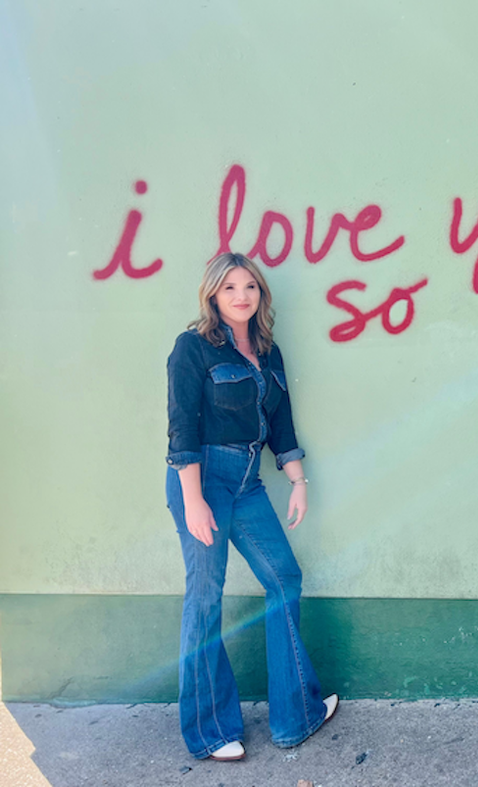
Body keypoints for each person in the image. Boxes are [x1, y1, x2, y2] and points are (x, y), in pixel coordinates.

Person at [166, 252, 338, 760]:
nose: (241, 296)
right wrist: (194, 500)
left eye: (250, 287)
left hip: (247, 484)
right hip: (202, 482)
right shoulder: (193, 348)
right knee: (204, 597)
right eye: (229, 288)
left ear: (260, 295)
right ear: (212, 295)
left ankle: (296, 715)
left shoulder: (268, 350)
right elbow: (183, 426)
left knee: (284, 577)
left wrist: (298, 479)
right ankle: (212, 731)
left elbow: (281, 423)